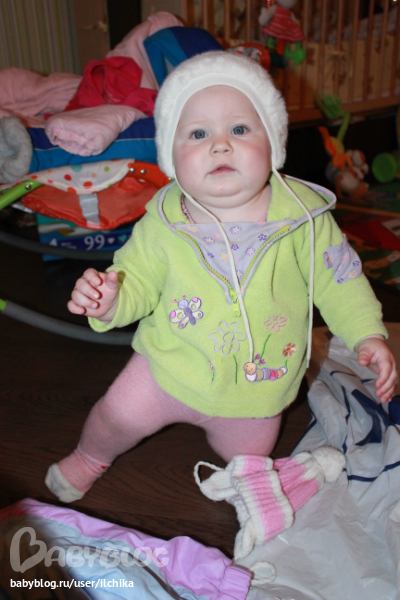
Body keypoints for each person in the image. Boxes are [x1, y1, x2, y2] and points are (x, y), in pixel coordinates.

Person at [45, 51, 398, 503]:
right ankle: (90, 457)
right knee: (116, 417)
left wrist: (367, 333)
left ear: (273, 142)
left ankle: (243, 484)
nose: (220, 145)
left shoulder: (305, 218)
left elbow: (340, 279)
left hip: (257, 390)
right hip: (166, 368)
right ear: (171, 157)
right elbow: (136, 280)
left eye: (240, 129)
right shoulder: (164, 222)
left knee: (249, 457)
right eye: (198, 133)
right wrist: (110, 300)